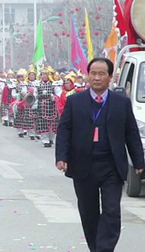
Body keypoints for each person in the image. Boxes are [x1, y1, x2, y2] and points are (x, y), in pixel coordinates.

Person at [56, 57, 144, 252]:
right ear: (88, 76)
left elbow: (131, 132)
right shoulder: (74, 101)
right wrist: (61, 157)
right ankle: (96, 247)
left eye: (101, 74)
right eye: (93, 73)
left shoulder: (121, 102)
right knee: (89, 212)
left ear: (110, 77)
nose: (96, 78)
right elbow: (64, 130)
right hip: (83, 165)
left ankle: (104, 249)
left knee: (112, 211)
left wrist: (139, 161)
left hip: (111, 165)